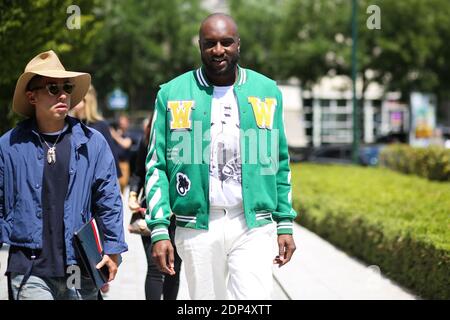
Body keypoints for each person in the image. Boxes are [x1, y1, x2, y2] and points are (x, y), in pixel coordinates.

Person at [145, 13, 297, 300]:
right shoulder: (172, 93)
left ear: (238, 44)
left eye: (226, 42)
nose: (218, 50)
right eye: (210, 43)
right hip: (197, 225)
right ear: (200, 47)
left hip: (252, 223)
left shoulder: (266, 91)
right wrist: (159, 229)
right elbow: (156, 164)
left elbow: (280, 160)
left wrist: (285, 222)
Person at [0, 50, 128, 300]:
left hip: (80, 269)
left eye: (67, 87)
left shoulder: (93, 143)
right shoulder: (9, 146)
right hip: (30, 270)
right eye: (52, 88)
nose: (62, 95)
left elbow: (109, 200)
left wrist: (113, 250)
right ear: (31, 95)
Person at [128, 115, 181, 300]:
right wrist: (133, 194)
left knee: (174, 269)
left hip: (180, 212)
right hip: (152, 209)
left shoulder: (185, 141)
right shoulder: (148, 139)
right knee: (154, 267)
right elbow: (138, 174)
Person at [70, 84, 122, 179]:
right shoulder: (69, 124)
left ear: (87, 101)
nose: (73, 100)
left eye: (78, 98)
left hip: (95, 180)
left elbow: (110, 159)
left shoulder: (100, 125)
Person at [111, 115, 133, 193]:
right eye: (121, 122)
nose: (122, 124)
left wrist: (115, 135)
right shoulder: (117, 133)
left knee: (122, 185)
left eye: (124, 122)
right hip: (114, 163)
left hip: (124, 164)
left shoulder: (129, 134)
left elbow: (126, 144)